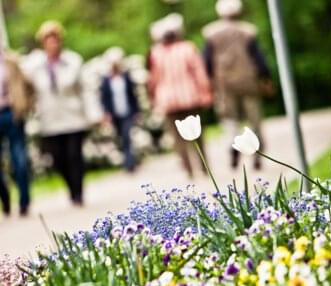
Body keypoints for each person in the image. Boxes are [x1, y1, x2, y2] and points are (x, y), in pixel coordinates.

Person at [22, 21, 91, 206]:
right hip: (50, 120)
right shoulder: (35, 66)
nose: (53, 44)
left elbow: (86, 90)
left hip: (74, 117)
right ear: (43, 43)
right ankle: (71, 187)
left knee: (74, 155)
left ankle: (78, 193)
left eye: (55, 40)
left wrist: (93, 114)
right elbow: (27, 88)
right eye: (48, 41)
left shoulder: (73, 61)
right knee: (58, 159)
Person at [202, 0, 273, 169]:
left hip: (224, 83)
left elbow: (207, 61)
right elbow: (258, 57)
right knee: (254, 117)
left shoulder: (211, 33)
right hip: (248, 80)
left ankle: (234, 147)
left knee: (229, 118)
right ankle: (257, 152)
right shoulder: (247, 31)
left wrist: (210, 81)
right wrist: (266, 77)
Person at [148, 14, 213, 177]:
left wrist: (153, 99)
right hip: (190, 97)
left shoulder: (155, 53)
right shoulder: (187, 48)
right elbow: (199, 73)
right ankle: (203, 166)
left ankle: (188, 169)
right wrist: (206, 93)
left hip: (168, 101)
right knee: (197, 134)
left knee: (177, 138)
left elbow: (153, 80)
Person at [0, 44, 34, 216]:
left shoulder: (11, 62)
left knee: (19, 159)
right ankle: (4, 198)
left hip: (11, 114)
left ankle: (24, 202)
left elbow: (29, 85)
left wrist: (24, 106)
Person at [100, 48, 140, 172]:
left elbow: (133, 95)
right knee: (121, 138)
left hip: (127, 112)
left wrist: (137, 111)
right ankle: (128, 160)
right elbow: (104, 98)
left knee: (127, 135)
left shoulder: (126, 77)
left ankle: (129, 164)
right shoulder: (106, 80)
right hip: (115, 114)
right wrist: (106, 113)